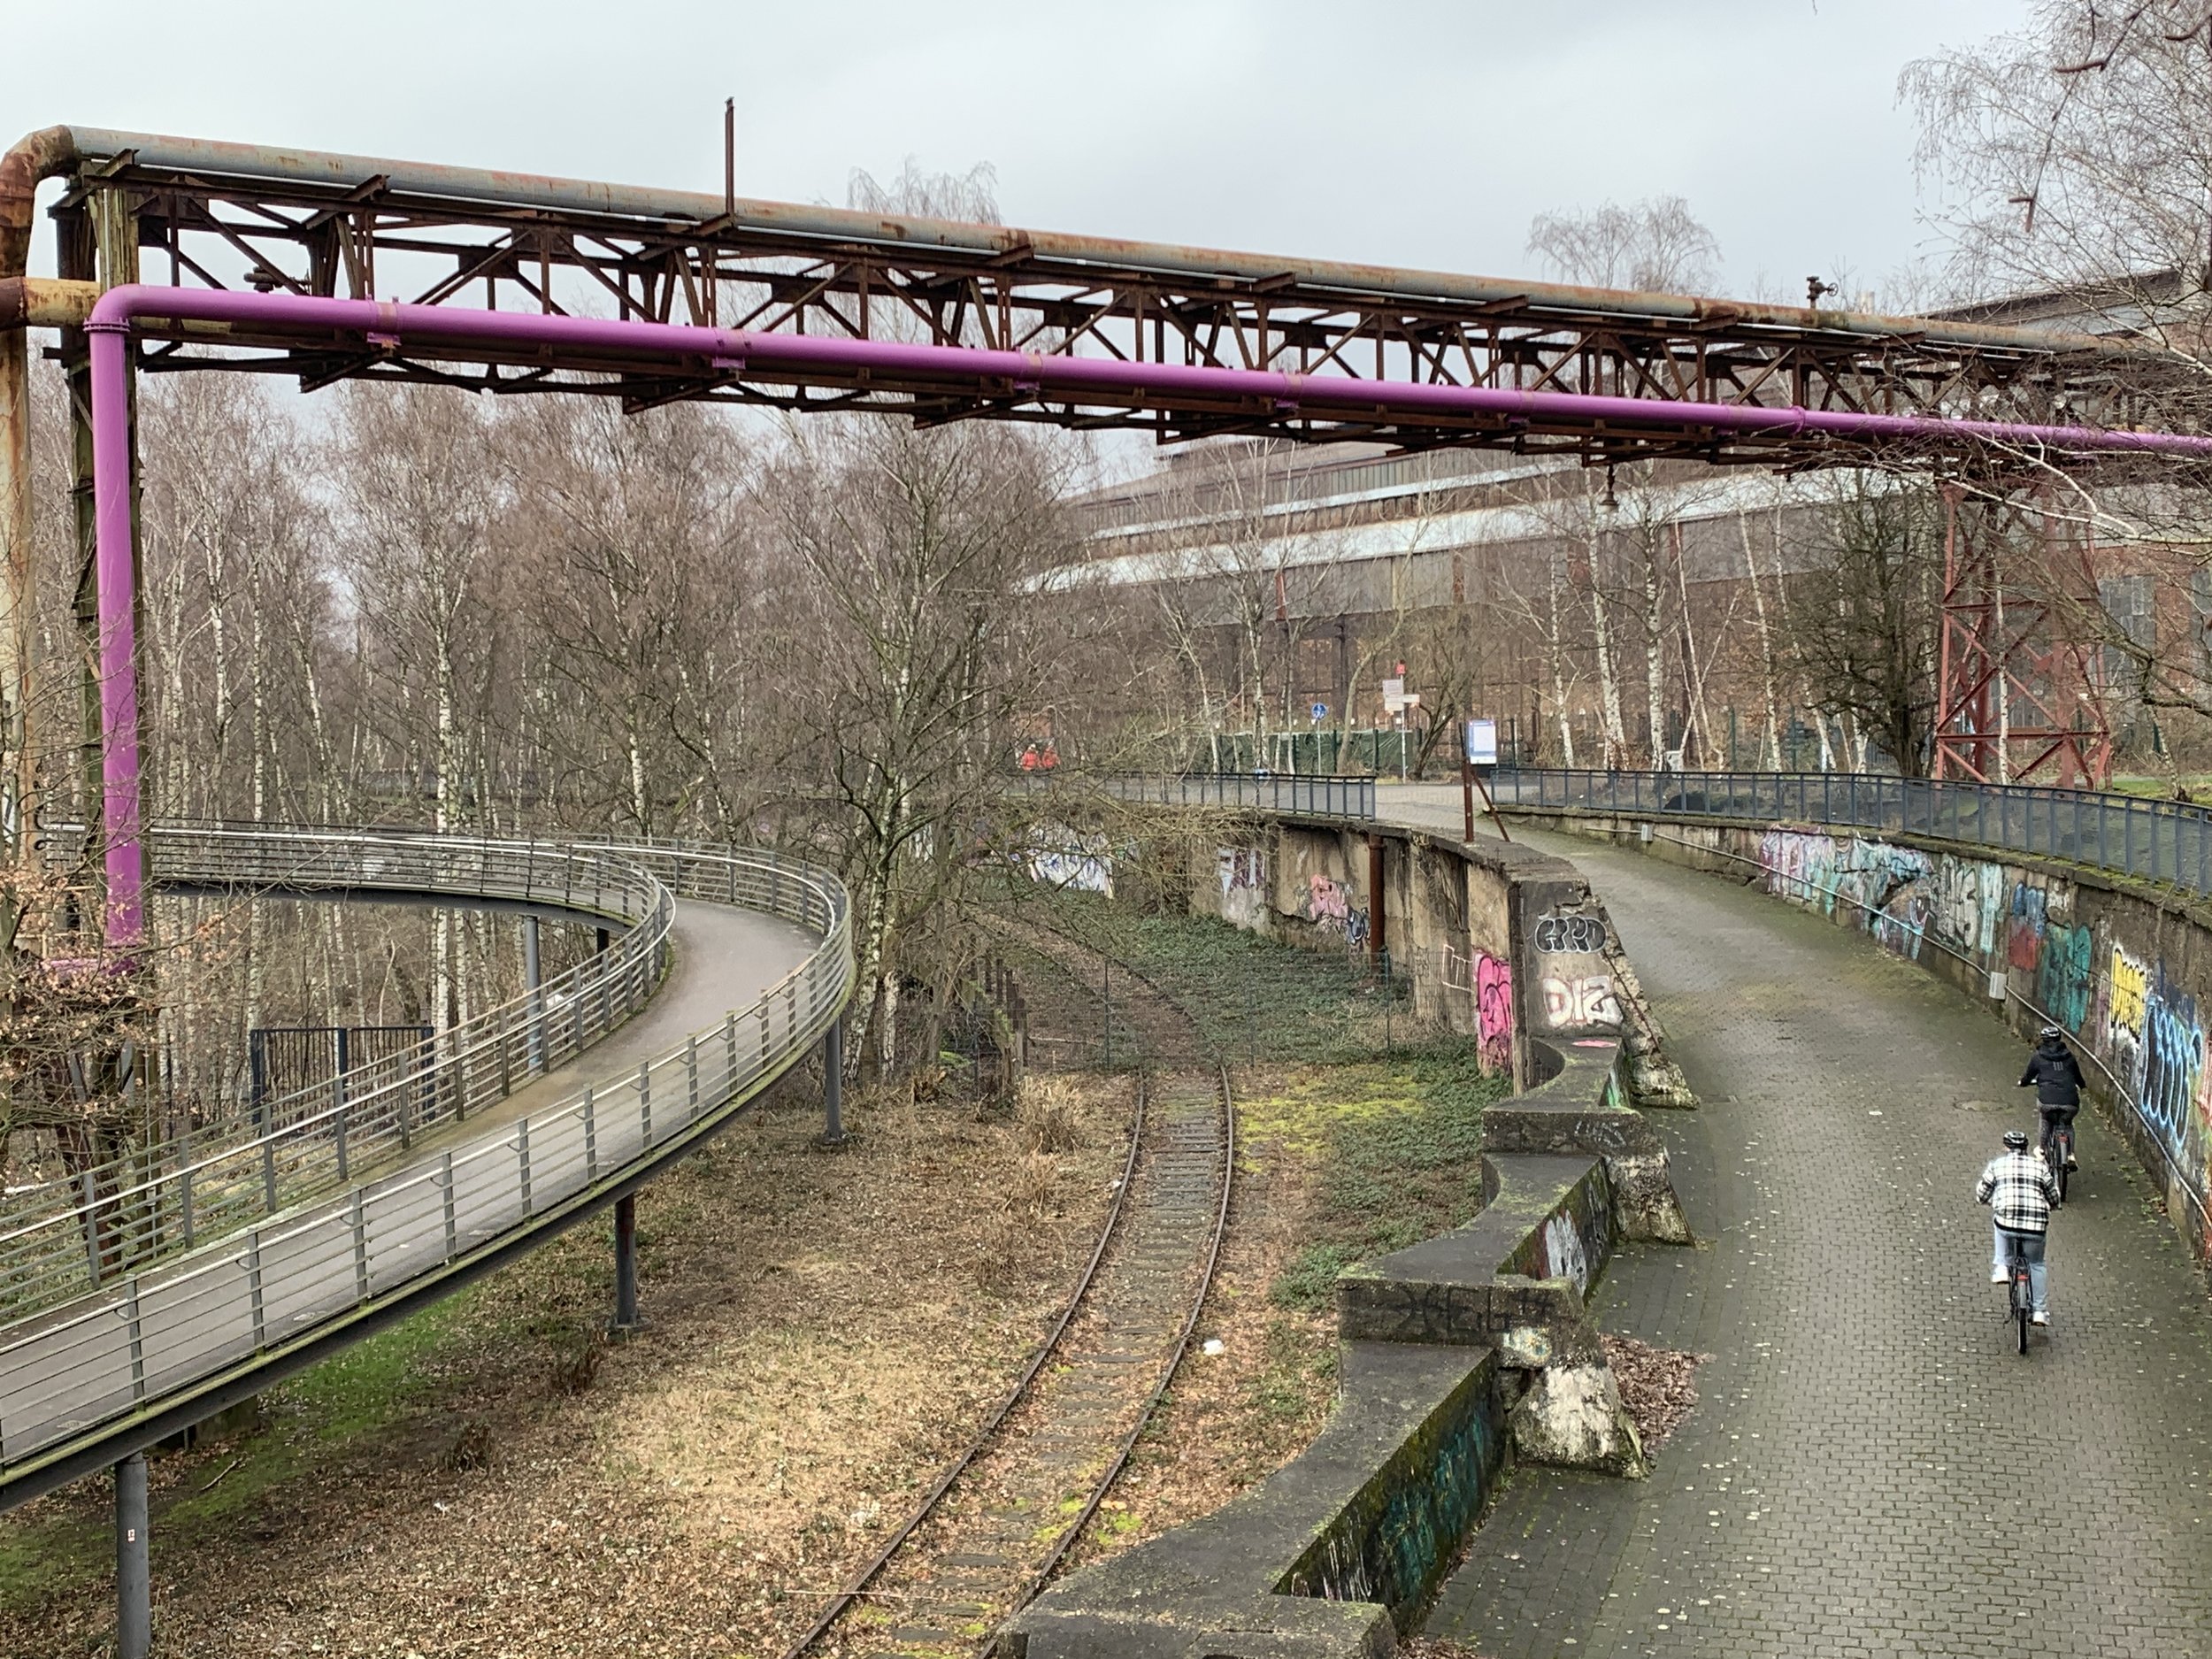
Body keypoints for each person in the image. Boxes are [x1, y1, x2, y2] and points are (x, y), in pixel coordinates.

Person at [1976, 1127, 2061, 1325]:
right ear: (2026, 1148)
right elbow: (2053, 1195)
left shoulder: (1997, 1165)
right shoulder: (2039, 1167)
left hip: (2007, 1221)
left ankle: (2002, 1266)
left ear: (2006, 1147)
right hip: (2035, 1226)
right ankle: (2040, 1311)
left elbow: (1982, 1194)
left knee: (2000, 1223)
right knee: (2037, 1264)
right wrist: (2055, 1205)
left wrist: (1991, 1201)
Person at [2019, 1023, 2085, 1172]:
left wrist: (2023, 1083)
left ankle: (2042, 1150)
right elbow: (2078, 1077)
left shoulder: (2038, 1057)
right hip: (2070, 1102)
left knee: (2045, 1118)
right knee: (2067, 1124)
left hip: (2047, 1101)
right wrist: (2082, 1086)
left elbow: (2028, 1076)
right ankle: (2070, 1155)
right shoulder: (2070, 1057)